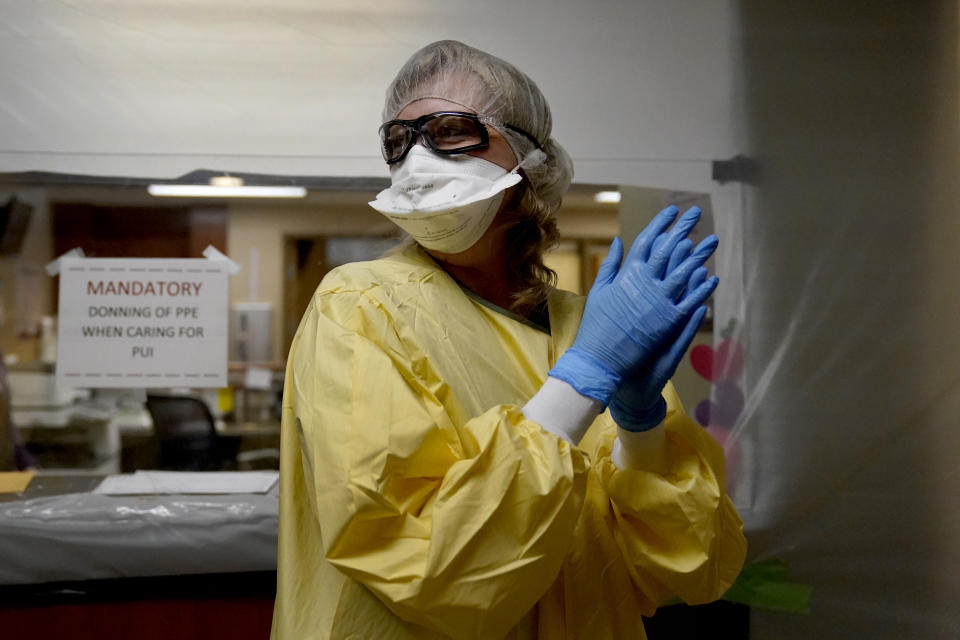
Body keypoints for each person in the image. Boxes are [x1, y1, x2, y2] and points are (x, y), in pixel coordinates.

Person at [272, 40, 746, 639]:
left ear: (530, 160)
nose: (418, 161)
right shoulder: (362, 307)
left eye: (450, 131)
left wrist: (642, 428)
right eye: (400, 140)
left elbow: (690, 567)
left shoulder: (589, 326)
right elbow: (432, 567)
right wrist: (582, 382)